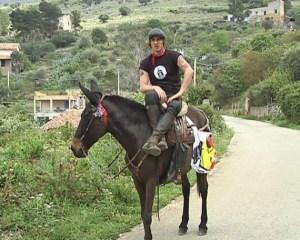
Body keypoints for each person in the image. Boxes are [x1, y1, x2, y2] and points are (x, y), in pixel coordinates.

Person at [139, 27, 194, 160]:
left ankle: (154, 138)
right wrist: (156, 88)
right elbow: (142, 86)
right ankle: (161, 138)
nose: (156, 42)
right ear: (150, 43)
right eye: (153, 40)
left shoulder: (173, 56)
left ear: (163, 42)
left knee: (175, 105)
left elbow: (189, 70)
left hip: (173, 95)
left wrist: (180, 91)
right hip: (157, 96)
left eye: (159, 39)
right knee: (150, 95)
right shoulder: (146, 63)